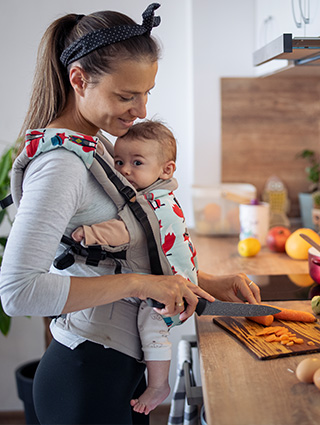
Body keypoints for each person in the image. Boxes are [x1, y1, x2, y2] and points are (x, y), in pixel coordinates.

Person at [0, 4, 261, 425]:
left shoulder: (99, 147)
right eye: (126, 96)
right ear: (79, 80)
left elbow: (127, 254)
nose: (140, 110)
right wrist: (143, 283)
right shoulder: (62, 165)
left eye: (146, 93)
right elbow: (17, 292)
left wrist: (207, 282)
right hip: (84, 378)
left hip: (114, 371)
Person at [71, 119, 197, 415]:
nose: (125, 170)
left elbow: (125, 231)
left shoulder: (151, 204)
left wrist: (88, 233)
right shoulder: (163, 193)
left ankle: (158, 385)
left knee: (150, 325)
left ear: (166, 169)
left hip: (171, 290)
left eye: (136, 162)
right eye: (119, 161)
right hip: (180, 278)